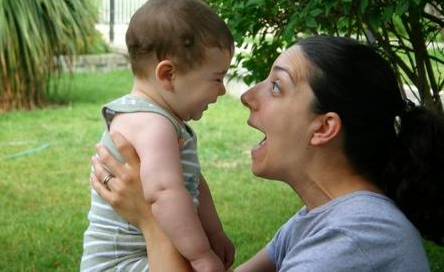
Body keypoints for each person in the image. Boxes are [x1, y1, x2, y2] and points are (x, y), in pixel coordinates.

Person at [90, 35, 444, 271]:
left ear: (323, 127)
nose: (246, 95)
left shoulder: (359, 236)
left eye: (277, 85)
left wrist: (153, 221)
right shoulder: (318, 220)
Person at [81, 0, 235, 272]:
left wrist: (215, 235)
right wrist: (201, 255)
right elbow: (164, 193)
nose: (222, 90)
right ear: (167, 75)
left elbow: (193, 183)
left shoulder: (162, 120)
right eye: (217, 78)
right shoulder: (153, 124)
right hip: (120, 264)